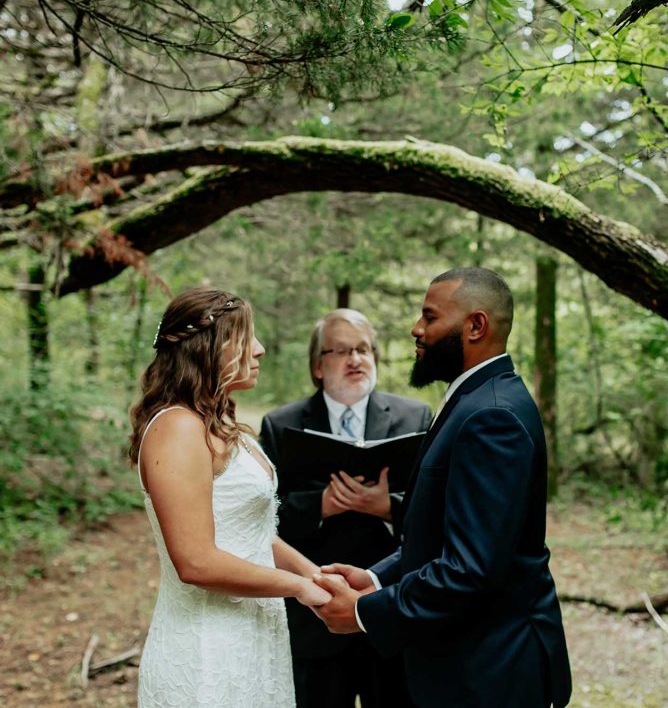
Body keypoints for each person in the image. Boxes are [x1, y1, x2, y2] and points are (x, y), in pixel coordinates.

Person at [313, 268, 573, 708]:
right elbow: (441, 535)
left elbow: (469, 569)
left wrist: (362, 613)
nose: (417, 329)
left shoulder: (493, 416)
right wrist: (377, 577)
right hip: (464, 663)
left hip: (490, 672)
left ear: (475, 326)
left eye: (430, 318)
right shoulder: (475, 399)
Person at [130, 287, 330, 708]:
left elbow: (254, 535)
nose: (258, 350)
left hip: (254, 637)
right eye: (245, 337)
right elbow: (196, 560)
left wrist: (317, 577)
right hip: (207, 649)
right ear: (209, 347)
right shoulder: (177, 428)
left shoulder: (216, 422)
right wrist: (297, 588)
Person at [260, 309, 432, 708]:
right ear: (318, 366)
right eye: (341, 351)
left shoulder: (415, 417)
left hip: (389, 609)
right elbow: (261, 519)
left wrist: (387, 507)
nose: (356, 359)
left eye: (363, 349)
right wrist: (320, 505)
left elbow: (434, 514)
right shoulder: (281, 425)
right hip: (313, 616)